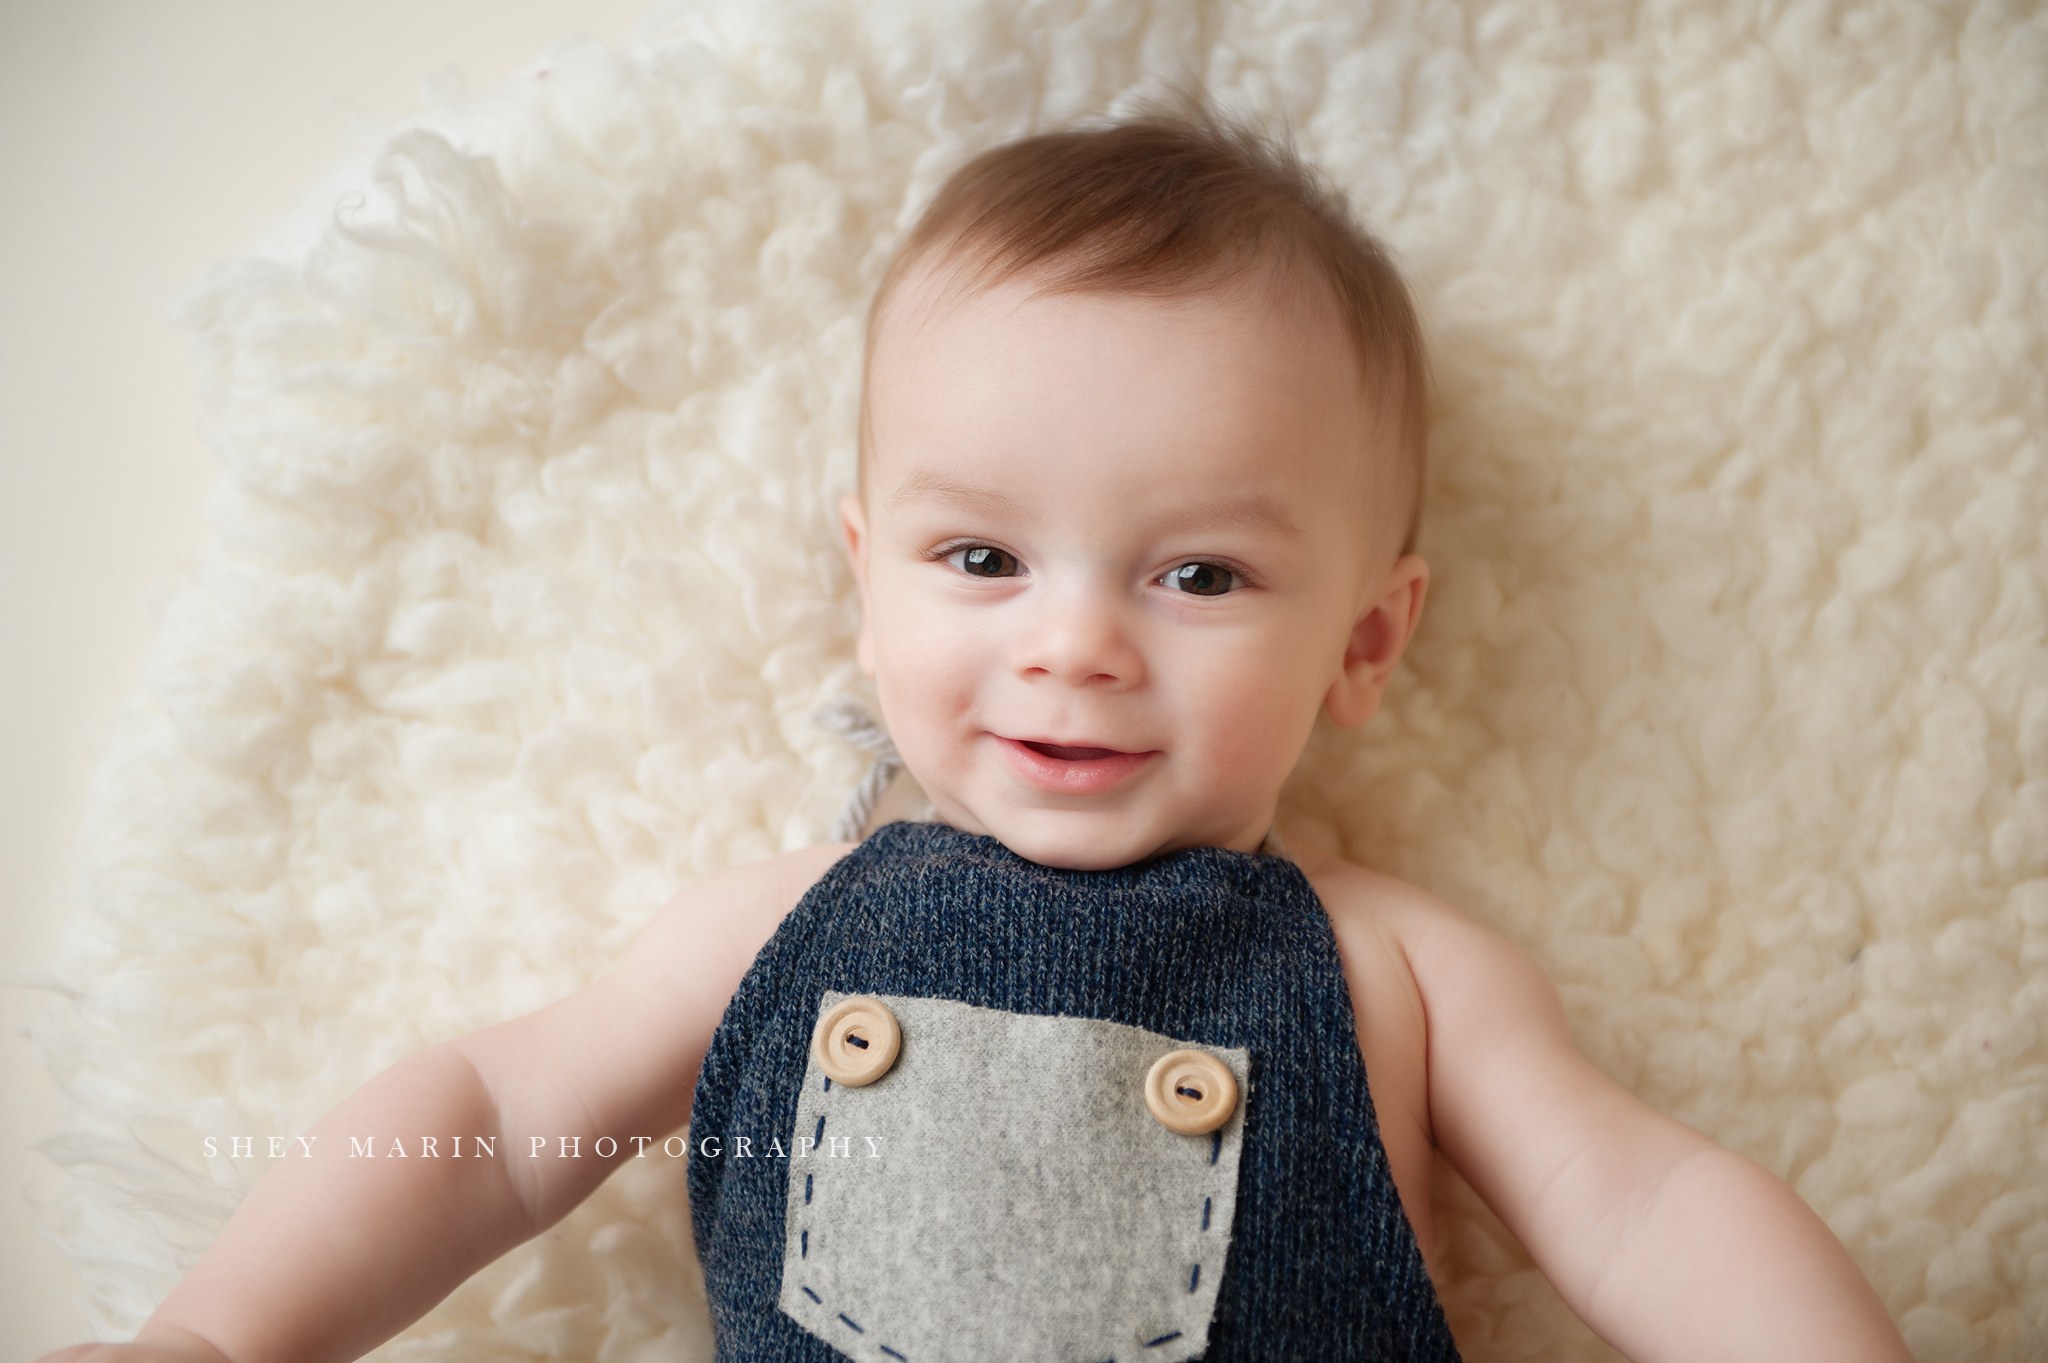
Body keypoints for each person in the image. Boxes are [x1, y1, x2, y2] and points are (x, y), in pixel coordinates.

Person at [44, 112, 1913, 1363]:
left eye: (1197, 572)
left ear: (1364, 636)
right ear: (868, 578)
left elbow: (1648, 1200)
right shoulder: (776, 925)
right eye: (983, 555)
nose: (1075, 645)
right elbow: (492, 1116)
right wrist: (218, 1332)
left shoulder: (1391, 966)